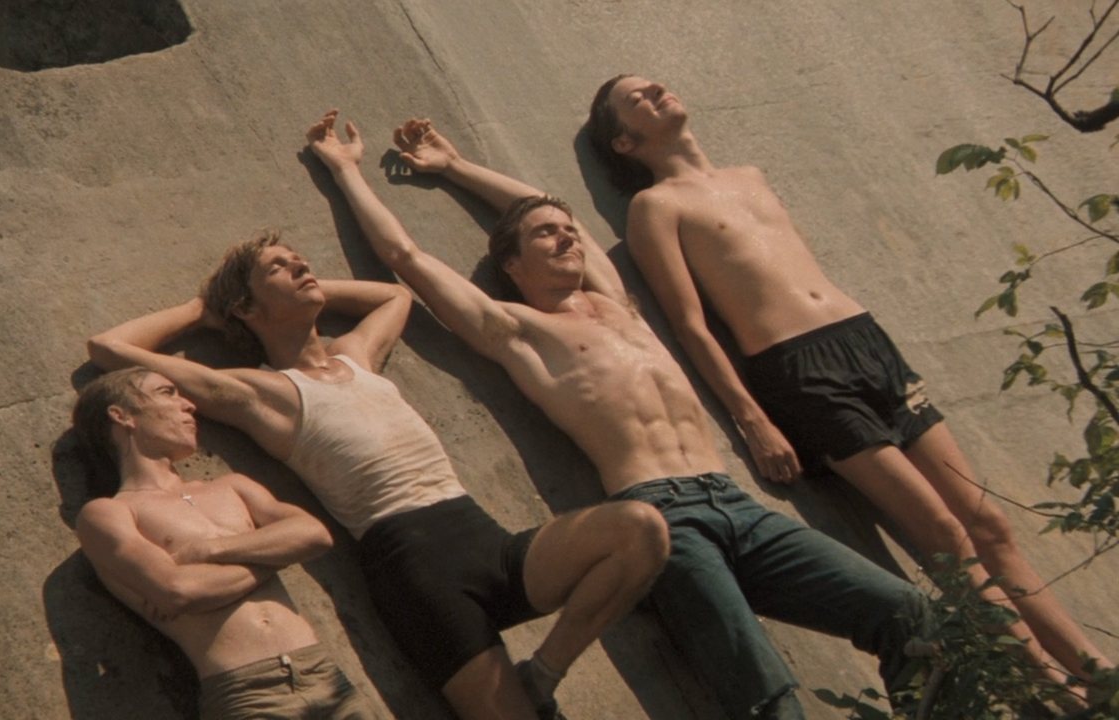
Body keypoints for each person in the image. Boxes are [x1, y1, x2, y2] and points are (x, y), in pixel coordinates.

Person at [305, 109, 932, 719]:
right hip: (664, 520)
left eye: (568, 230)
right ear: (513, 266)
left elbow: (544, 202)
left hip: (737, 504)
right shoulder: (519, 332)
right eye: (546, 235)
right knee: (767, 699)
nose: (567, 236)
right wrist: (346, 170)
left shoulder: (620, 307)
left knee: (911, 616)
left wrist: (456, 166)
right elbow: (406, 256)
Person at [583, 73, 1113, 686]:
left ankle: (1098, 676)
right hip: (799, 371)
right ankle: (1052, 689)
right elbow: (690, 325)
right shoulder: (655, 207)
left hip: (865, 342)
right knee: (943, 536)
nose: (656, 92)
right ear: (624, 142)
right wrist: (752, 419)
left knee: (989, 523)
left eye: (655, 84)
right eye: (637, 99)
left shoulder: (749, 177)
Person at [85, 234, 669, 720]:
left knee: (640, 530)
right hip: (416, 571)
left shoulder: (356, 356)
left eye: (298, 258)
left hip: (479, 533)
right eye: (279, 267)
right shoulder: (260, 392)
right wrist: (204, 309)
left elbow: (394, 295)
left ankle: (542, 674)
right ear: (245, 307)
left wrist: (301, 288)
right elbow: (110, 348)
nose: (301, 264)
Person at [72, 367, 374, 719]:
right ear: (121, 415)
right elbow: (179, 591)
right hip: (247, 694)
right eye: (167, 392)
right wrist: (278, 554)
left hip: (323, 673)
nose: (188, 405)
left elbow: (314, 534)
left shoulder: (232, 486)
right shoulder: (108, 513)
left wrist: (208, 551)